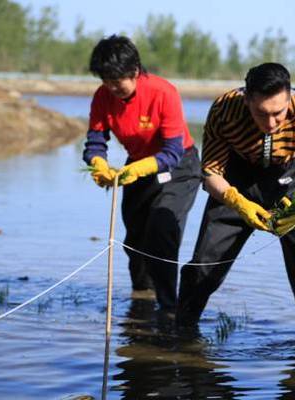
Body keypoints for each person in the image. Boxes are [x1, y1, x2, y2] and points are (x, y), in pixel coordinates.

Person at [177, 62, 295, 335]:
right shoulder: (225, 109)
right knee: (204, 265)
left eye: (278, 113)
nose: (270, 123)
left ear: (289, 98)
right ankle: (182, 333)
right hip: (235, 182)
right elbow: (210, 173)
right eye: (261, 113)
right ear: (246, 99)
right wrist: (238, 203)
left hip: (291, 183)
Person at [83, 35, 201, 312]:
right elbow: (95, 142)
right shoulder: (103, 97)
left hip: (179, 168)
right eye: (106, 80)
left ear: (135, 71)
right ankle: (142, 300)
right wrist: (97, 163)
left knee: (161, 232)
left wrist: (139, 168)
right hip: (137, 167)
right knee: (135, 240)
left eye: (117, 80)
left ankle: (170, 308)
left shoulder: (163, 92)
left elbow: (172, 151)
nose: (112, 87)